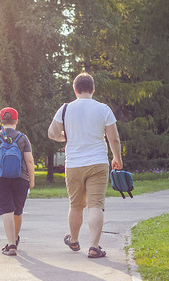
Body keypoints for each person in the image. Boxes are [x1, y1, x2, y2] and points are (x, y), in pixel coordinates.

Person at [48, 72, 123, 258]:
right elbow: (114, 138)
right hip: (98, 162)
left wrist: (64, 137)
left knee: (75, 205)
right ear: (93, 89)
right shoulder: (103, 109)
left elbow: (52, 133)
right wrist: (117, 159)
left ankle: (73, 240)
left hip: (73, 163)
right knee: (95, 205)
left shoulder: (65, 109)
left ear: (75, 90)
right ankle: (94, 247)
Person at [0, 107, 35, 256]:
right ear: (16, 121)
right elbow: (30, 160)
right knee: (17, 211)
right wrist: (31, 180)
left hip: (0, 178)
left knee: (7, 209)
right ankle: (15, 239)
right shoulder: (23, 138)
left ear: (0, 122)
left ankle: (11, 244)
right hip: (21, 179)